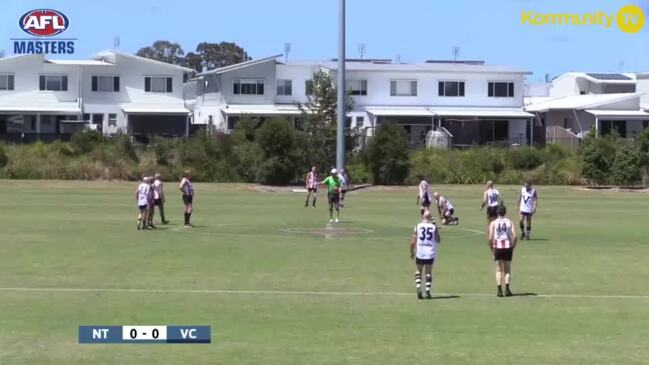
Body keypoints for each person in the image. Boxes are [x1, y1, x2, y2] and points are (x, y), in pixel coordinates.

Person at [410, 210, 441, 300]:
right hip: (430, 252)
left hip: (420, 252)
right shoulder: (433, 227)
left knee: (418, 271)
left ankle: (418, 287)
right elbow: (438, 240)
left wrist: (411, 251)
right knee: (428, 272)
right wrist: (437, 231)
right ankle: (427, 291)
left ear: (423, 217)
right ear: (430, 218)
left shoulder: (418, 226)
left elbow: (413, 241)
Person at [488, 205, 518, 297]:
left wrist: (492, 249)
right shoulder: (509, 222)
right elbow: (515, 236)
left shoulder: (493, 223)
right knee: (507, 270)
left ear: (497, 212)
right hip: (507, 247)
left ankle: (499, 290)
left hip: (497, 247)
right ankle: (507, 289)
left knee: (498, 269)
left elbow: (490, 237)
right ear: (505, 212)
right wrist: (513, 245)